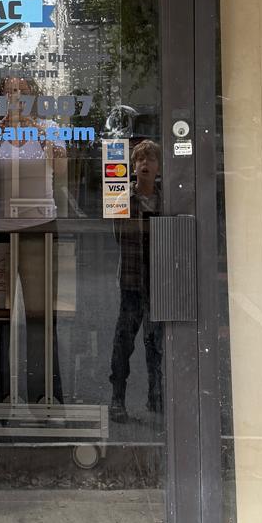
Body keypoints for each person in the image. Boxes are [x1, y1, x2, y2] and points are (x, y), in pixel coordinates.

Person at [0, 75, 64, 407]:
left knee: (41, 317)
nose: (16, 98)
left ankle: (44, 398)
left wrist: (39, 134)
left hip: (40, 230)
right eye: (9, 92)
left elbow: (65, 170)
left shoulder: (48, 126)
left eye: (23, 92)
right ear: (0, 99)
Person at [109, 138, 164, 422]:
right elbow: (118, 235)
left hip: (158, 281)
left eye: (150, 159)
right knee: (124, 342)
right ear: (133, 167)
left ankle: (157, 397)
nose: (145, 163)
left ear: (158, 167)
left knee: (156, 344)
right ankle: (117, 397)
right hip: (132, 280)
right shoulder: (123, 199)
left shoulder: (166, 199)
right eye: (140, 159)